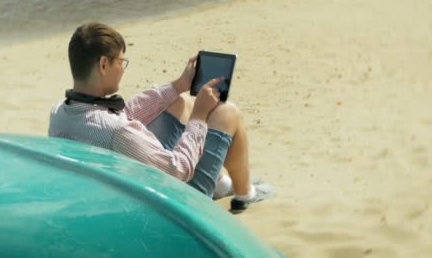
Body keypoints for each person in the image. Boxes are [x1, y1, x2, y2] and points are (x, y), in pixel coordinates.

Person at [48, 22, 273, 212]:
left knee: (178, 102)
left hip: (115, 192)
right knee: (227, 113)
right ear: (104, 64)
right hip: (169, 209)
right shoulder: (118, 132)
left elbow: (123, 113)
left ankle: (221, 185)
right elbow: (179, 170)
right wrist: (199, 116)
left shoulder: (61, 110)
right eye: (121, 62)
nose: (123, 69)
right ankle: (245, 195)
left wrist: (178, 86)